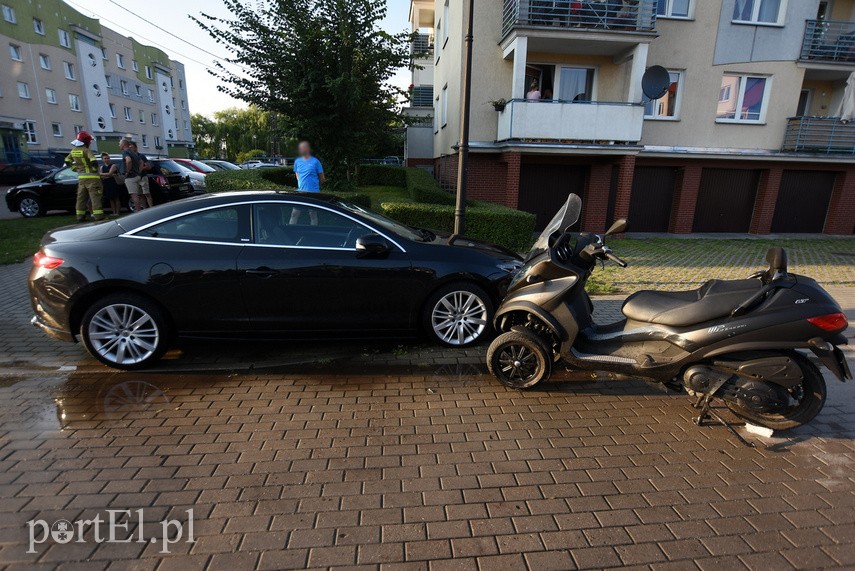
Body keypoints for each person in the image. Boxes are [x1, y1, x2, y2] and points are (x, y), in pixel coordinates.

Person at [64, 131, 104, 222]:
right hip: (92, 179)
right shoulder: (86, 150)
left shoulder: (73, 151)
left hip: (81, 178)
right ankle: (99, 217)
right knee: (95, 197)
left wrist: (74, 169)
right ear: (85, 141)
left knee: (81, 198)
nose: (90, 143)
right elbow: (94, 162)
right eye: (89, 141)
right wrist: (94, 170)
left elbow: (67, 160)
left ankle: (80, 217)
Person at [120, 138, 144, 211]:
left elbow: (128, 160)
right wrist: (138, 171)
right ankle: (142, 209)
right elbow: (141, 162)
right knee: (139, 195)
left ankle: (138, 211)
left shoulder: (125, 152)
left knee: (134, 195)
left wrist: (127, 171)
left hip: (130, 177)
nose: (119, 145)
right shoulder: (133, 152)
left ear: (123, 144)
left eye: (119, 143)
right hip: (137, 176)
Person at [130, 141, 154, 209]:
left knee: (146, 193)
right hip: (135, 178)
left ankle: (151, 208)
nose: (130, 149)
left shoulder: (141, 156)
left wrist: (140, 169)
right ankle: (144, 209)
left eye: (132, 147)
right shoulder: (130, 157)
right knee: (140, 195)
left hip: (143, 177)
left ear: (136, 147)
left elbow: (148, 166)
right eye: (129, 148)